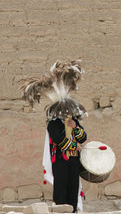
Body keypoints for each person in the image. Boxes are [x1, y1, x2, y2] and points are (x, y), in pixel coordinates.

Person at [21, 60, 87, 212]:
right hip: (60, 162)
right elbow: (59, 141)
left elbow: (83, 137)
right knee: (61, 191)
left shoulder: (73, 121)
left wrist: (76, 128)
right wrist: (74, 145)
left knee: (73, 190)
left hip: (73, 162)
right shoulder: (54, 124)